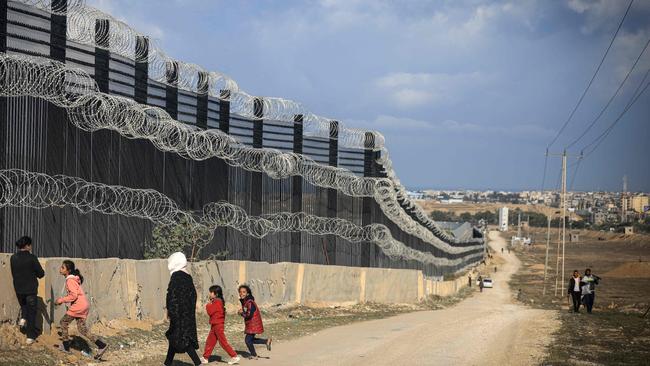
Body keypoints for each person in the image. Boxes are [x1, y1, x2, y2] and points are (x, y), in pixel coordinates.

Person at [55, 260, 109, 360]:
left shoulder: (70, 280)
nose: (60, 269)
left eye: (63, 267)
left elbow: (73, 295)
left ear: (68, 270)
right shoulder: (74, 279)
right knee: (82, 329)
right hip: (84, 305)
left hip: (78, 306)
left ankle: (66, 347)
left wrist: (61, 300)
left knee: (63, 322)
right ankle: (101, 345)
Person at [164, 252, 201, 366]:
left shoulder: (176, 277)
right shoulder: (187, 276)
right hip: (187, 313)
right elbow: (193, 295)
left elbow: (172, 296)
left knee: (183, 339)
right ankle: (168, 362)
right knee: (175, 338)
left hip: (178, 314)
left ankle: (198, 362)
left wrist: (170, 312)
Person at [10, 236, 45, 344]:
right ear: (27, 245)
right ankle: (30, 336)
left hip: (19, 288)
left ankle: (23, 319)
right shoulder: (32, 258)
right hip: (30, 289)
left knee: (23, 305)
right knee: (32, 312)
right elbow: (41, 273)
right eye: (31, 245)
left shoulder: (13, 258)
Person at [201, 285, 240, 365]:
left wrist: (208, 304)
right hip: (215, 324)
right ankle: (205, 358)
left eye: (211, 292)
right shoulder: (217, 301)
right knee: (210, 341)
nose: (210, 294)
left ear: (216, 294)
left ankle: (234, 356)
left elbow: (210, 311)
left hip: (218, 325)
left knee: (223, 342)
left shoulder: (217, 301)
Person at [238, 285, 271, 359]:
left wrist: (241, 313)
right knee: (250, 340)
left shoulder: (250, 302)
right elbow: (247, 312)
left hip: (253, 324)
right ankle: (266, 341)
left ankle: (254, 354)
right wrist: (242, 312)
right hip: (251, 324)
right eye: (240, 292)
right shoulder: (246, 301)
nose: (241, 294)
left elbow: (249, 315)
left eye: (244, 292)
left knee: (247, 340)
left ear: (247, 293)